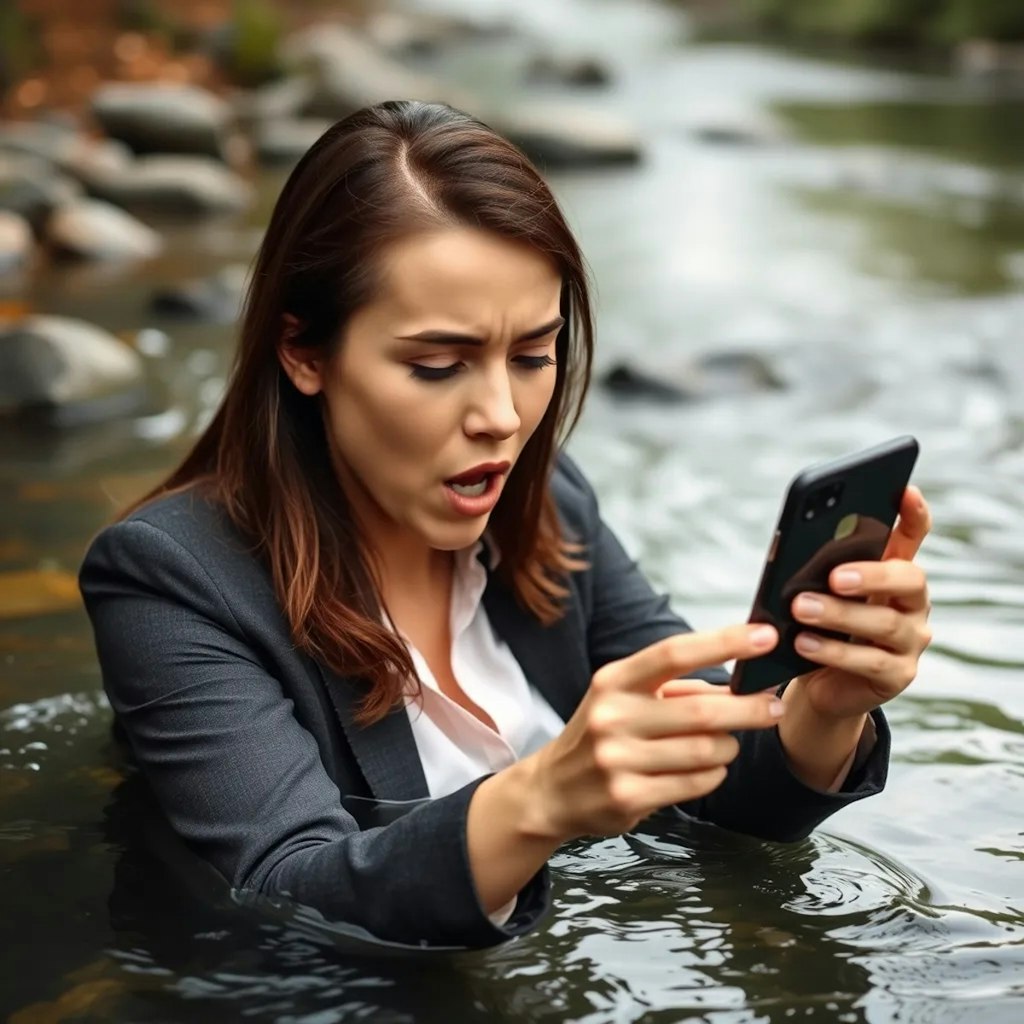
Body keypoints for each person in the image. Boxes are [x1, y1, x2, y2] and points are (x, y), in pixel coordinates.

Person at [79, 100, 933, 951]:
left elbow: (722, 795)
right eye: (439, 365)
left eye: (533, 356)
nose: (501, 416)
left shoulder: (551, 503)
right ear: (304, 352)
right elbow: (285, 890)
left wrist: (822, 710)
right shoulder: (168, 577)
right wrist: (539, 801)